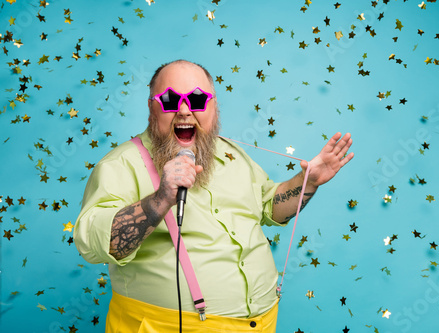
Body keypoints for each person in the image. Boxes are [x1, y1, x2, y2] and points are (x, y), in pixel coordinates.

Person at [73, 59, 354, 332]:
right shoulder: (120, 164)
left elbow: (269, 205)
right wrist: (161, 199)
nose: (184, 111)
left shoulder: (231, 153)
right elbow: (94, 244)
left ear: (214, 107)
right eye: (170, 101)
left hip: (263, 323)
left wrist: (309, 182)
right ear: (152, 108)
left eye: (196, 100)